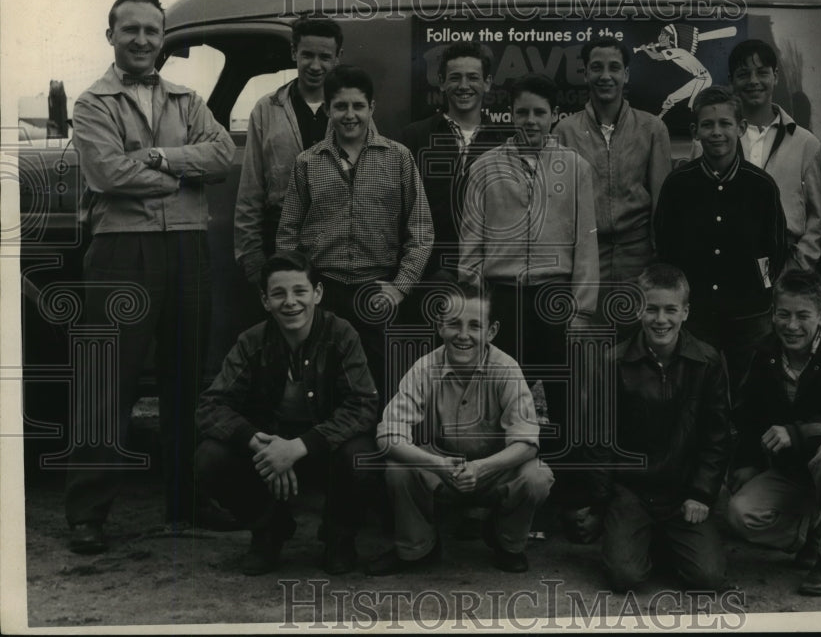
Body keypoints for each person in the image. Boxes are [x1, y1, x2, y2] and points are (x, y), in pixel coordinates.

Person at [66, 0, 236, 554]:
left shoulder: (188, 100)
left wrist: (161, 158)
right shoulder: (92, 103)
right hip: (122, 253)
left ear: (163, 40)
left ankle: (186, 502)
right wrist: (177, 177)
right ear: (110, 35)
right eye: (130, 29)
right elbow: (108, 174)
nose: (141, 40)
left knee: (188, 378)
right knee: (107, 383)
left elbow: (221, 155)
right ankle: (87, 512)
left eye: (152, 31)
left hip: (187, 248)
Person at [459, 73, 599, 511]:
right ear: (509, 115)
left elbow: (586, 243)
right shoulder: (485, 167)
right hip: (503, 298)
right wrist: (475, 305)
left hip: (553, 299)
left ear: (555, 116)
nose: (531, 121)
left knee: (563, 401)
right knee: (496, 400)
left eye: (540, 113)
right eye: (522, 112)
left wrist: (580, 310)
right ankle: (495, 495)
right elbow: (470, 242)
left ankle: (564, 500)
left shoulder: (575, 167)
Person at [194, 251, 380, 575]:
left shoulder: (341, 335)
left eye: (300, 291)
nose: (290, 302)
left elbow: (364, 404)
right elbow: (211, 406)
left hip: (324, 450)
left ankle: (339, 537)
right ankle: (269, 531)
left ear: (317, 294)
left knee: (362, 455)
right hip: (270, 452)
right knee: (208, 457)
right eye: (278, 294)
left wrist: (301, 446)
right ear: (265, 300)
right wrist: (260, 444)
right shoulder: (251, 342)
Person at [366, 282, 554, 575]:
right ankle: (418, 548)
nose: (463, 335)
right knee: (397, 466)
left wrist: (482, 468)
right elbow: (388, 436)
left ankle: (507, 542)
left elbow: (527, 442)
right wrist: (437, 464)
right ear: (441, 327)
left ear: (491, 331)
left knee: (537, 475)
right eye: (454, 324)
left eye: (475, 325)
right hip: (440, 468)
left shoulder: (506, 369)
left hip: (492, 472)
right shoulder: (424, 368)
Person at [275, 65, 432, 401]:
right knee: (323, 384)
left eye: (358, 106)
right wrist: (302, 291)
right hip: (324, 291)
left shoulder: (398, 158)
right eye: (341, 106)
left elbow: (421, 231)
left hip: (377, 290)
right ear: (329, 109)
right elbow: (287, 234)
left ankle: (382, 448)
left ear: (372, 108)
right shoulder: (307, 162)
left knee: (382, 385)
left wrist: (399, 288)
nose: (350, 115)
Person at [573, 264, 730, 592]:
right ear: (637, 310)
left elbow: (717, 436)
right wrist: (602, 504)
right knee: (625, 577)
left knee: (707, 579)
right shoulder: (613, 362)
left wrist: (701, 493)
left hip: (683, 491)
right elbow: (599, 439)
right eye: (652, 309)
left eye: (671, 310)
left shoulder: (707, 361)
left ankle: (662, 541)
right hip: (632, 491)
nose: (661, 320)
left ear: (685, 312)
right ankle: (635, 536)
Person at [726, 269, 821, 596]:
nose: (791, 325)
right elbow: (747, 415)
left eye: (802, 316)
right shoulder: (764, 354)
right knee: (739, 514)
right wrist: (747, 462)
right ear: (773, 313)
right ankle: (815, 532)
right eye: (783, 314)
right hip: (795, 473)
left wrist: (799, 433)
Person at [653, 85, 787, 393]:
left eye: (725, 124)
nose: (717, 132)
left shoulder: (761, 186)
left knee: (748, 391)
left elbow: (775, 248)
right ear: (695, 131)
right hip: (696, 314)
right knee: (695, 391)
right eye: (708, 125)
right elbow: (665, 246)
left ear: (740, 128)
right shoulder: (678, 184)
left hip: (749, 314)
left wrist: (761, 290)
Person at [556, 37, 672, 292]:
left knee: (634, 327)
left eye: (614, 68)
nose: (605, 76)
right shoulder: (565, 131)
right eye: (597, 67)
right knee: (589, 327)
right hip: (585, 255)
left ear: (626, 74)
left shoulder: (652, 128)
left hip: (638, 255)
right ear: (585, 74)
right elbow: (559, 207)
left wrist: (659, 256)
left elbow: (662, 202)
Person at [234, 15, 343, 285]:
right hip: (282, 242)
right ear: (294, 52)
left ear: (338, 57)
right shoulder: (266, 109)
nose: (315, 66)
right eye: (307, 55)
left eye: (325, 57)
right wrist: (252, 259)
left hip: (339, 246)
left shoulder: (353, 110)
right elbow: (250, 192)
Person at [397, 41, 509, 281]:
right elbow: (400, 211)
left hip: (488, 277)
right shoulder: (415, 136)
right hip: (428, 276)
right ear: (441, 81)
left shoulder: (505, 142)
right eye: (455, 77)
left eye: (473, 78)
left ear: (487, 83)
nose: (464, 86)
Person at [726, 39, 821, 271]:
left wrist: (798, 264)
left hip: (786, 263)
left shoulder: (805, 143)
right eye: (743, 74)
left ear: (775, 76)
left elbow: (818, 217)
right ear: (731, 82)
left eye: (762, 73)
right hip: (728, 262)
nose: (753, 81)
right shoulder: (716, 140)